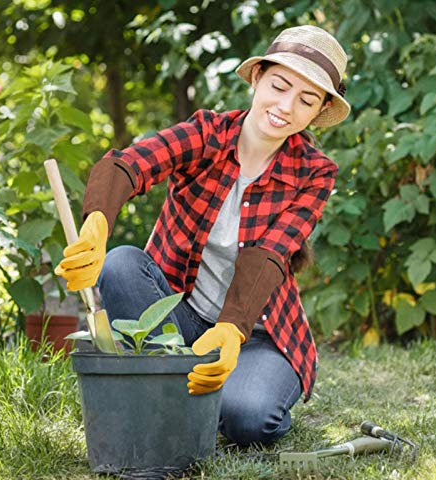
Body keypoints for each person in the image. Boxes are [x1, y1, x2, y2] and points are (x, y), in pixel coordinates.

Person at [56, 25, 351, 447]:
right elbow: (130, 165)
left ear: (319, 110)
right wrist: (97, 221)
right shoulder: (207, 133)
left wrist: (232, 330)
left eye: (305, 100)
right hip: (179, 316)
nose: (285, 107)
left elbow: (270, 253)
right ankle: (179, 393)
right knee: (120, 263)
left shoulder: (315, 172)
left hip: (256, 333)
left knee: (249, 420)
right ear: (256, 78)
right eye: (280, 86)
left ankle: (186, 396)